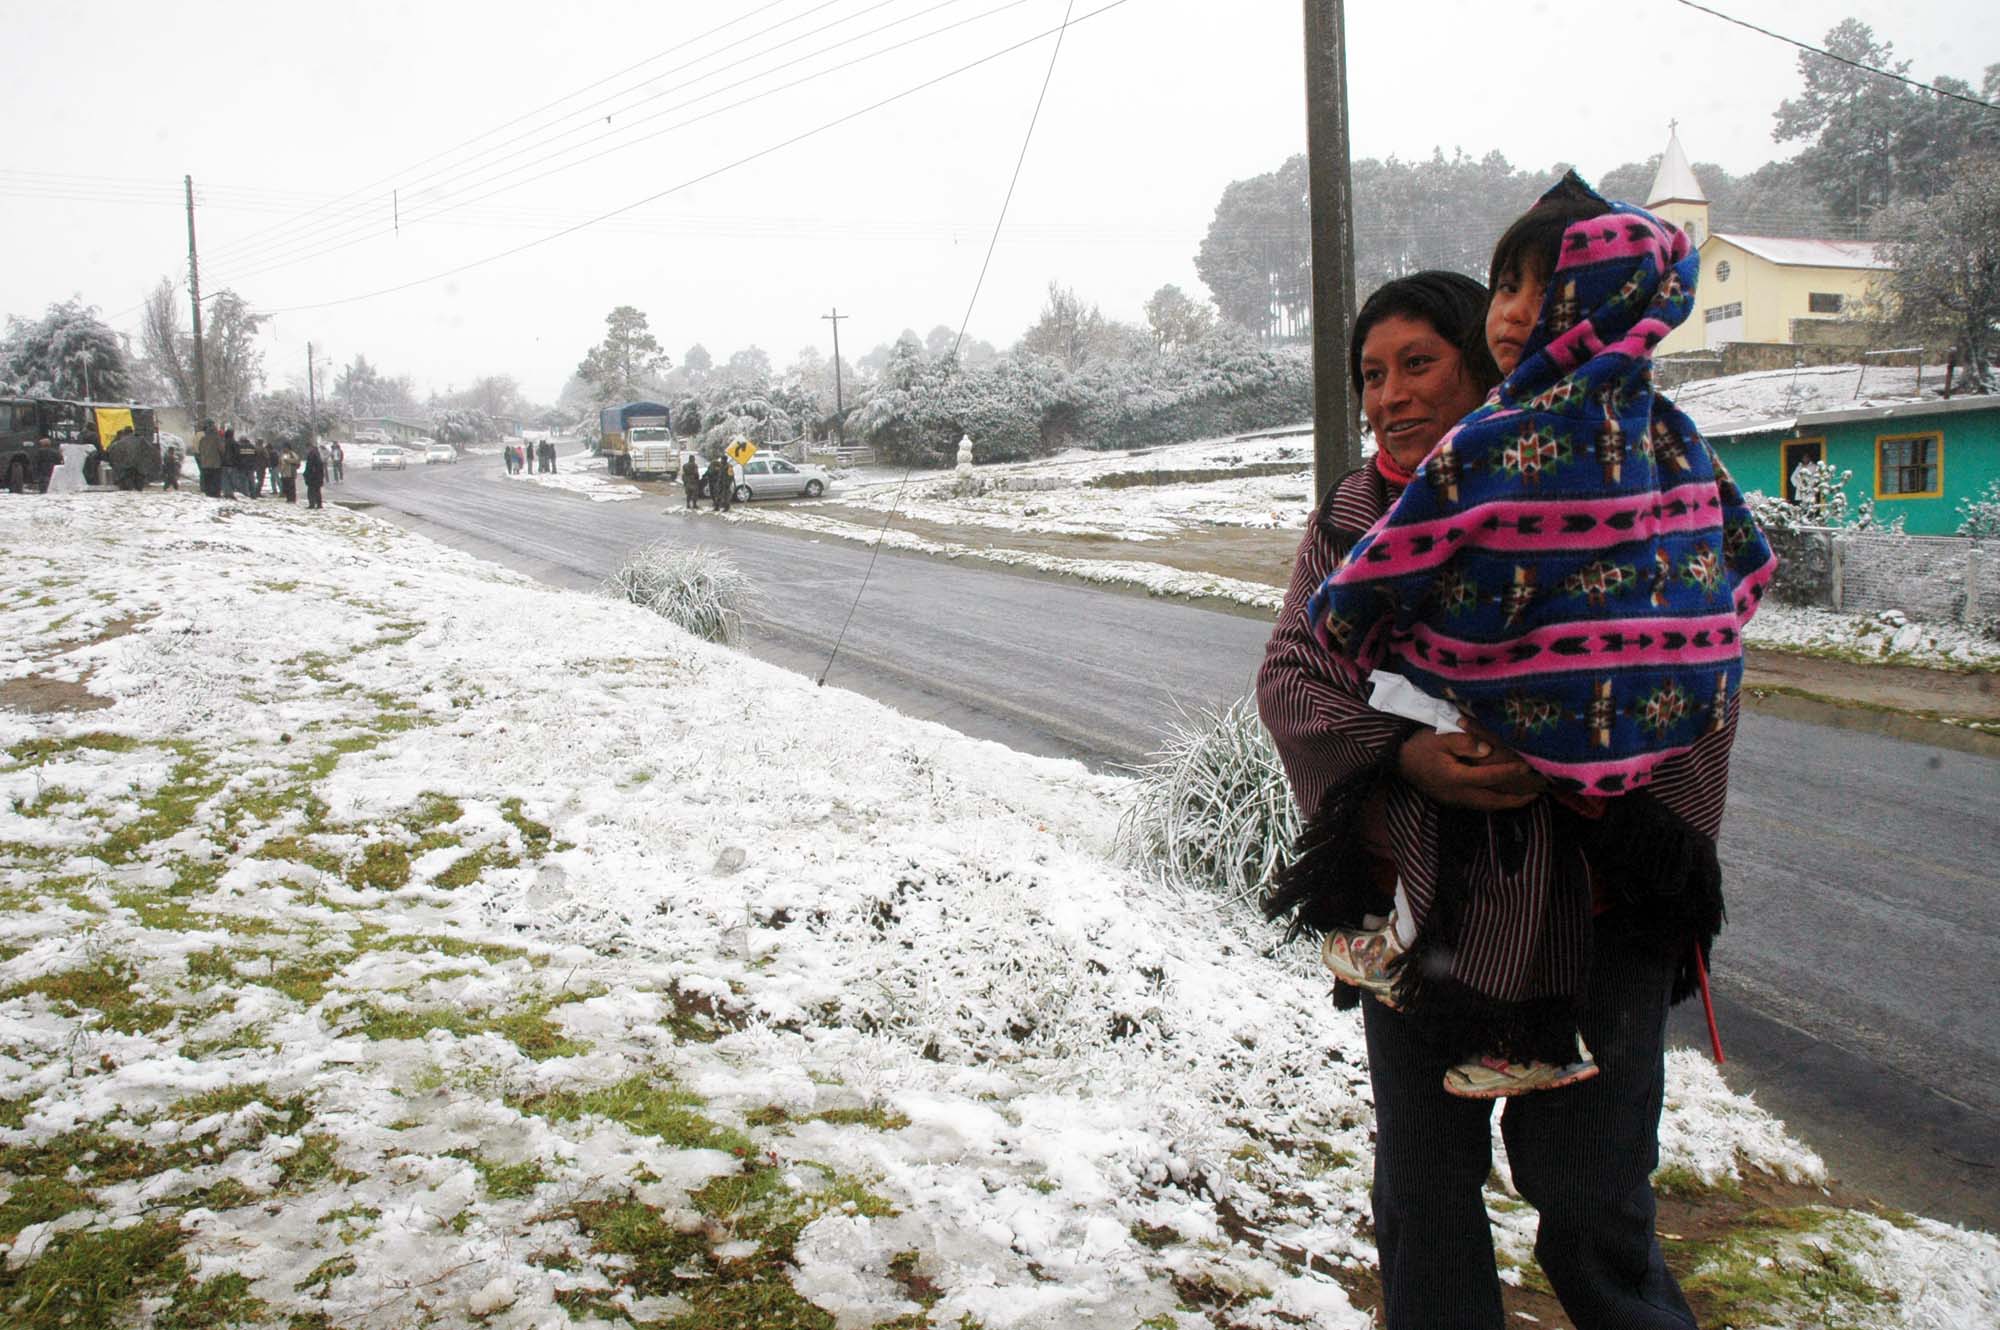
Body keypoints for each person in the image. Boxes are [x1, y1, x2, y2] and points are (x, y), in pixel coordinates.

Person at [1258, 179, 1772, 1330]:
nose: (1387, 395)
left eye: (1414, 365)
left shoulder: (1642, 485)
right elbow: (1292, 675)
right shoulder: (1353, 523)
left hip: (1598, 920)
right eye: (1369, 374)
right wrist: (1405, 757)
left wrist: (1590, 773)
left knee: (1592, 1200)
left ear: (1489, 368)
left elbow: (1696, 669)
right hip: (1421, 919)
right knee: (1423, 1196)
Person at [196, 420, 224, 497]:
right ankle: (215, 493)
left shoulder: (203, 439)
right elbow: (222, 449)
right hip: (215, 463)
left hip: (205, 463)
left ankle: (208, 492)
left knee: (207, 479)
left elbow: (200, 449)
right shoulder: (217, 439)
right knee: (215, 479)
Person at [303, 442, 326, 509]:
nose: (306, 450)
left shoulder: (312, 454)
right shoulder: (316, 453)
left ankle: (312, 504)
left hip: (313, 476)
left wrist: (308, 474)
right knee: (317, 491)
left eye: (307, 448)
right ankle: (318, 504)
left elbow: (311, 466)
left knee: (311, 491)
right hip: (316, 476)